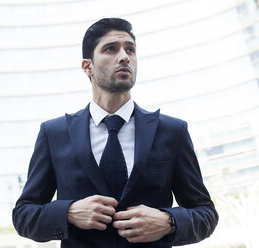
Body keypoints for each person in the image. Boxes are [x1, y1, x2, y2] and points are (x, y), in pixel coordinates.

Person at [12, 18, 218, 248]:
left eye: (130, 49)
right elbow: (23, 215)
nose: (124, 56)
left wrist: (169, 221)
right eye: (111, 49)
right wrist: (68, 212)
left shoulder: (172, 131)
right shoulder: (54, 133)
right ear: (87, 66)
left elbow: (206, 213)